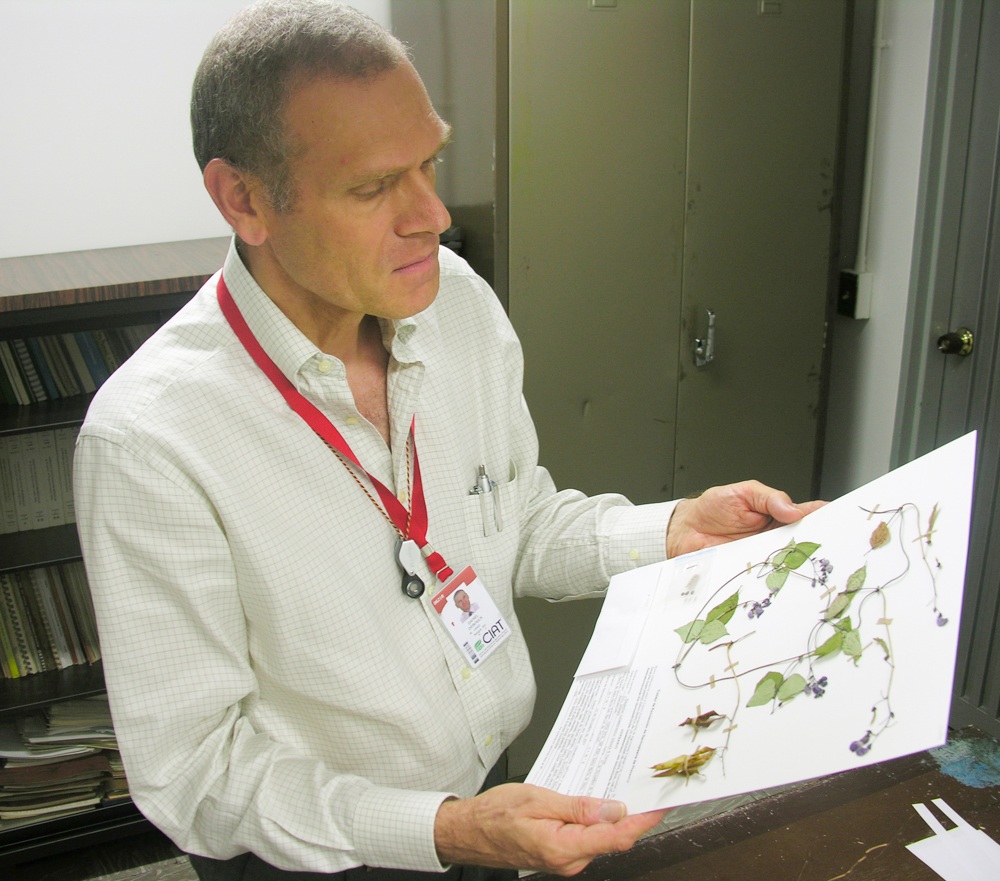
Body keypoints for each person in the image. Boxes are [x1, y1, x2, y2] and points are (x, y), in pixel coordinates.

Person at [73, 2, 822, 879]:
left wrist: (673, 531)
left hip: (492, 794)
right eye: (372, 186)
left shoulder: (454, 302)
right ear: (244, 199)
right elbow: (198, 772)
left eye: (430, 161)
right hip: (320, 849)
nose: (431, 213)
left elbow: (517, 521)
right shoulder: (150, 441)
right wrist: (442, 831)